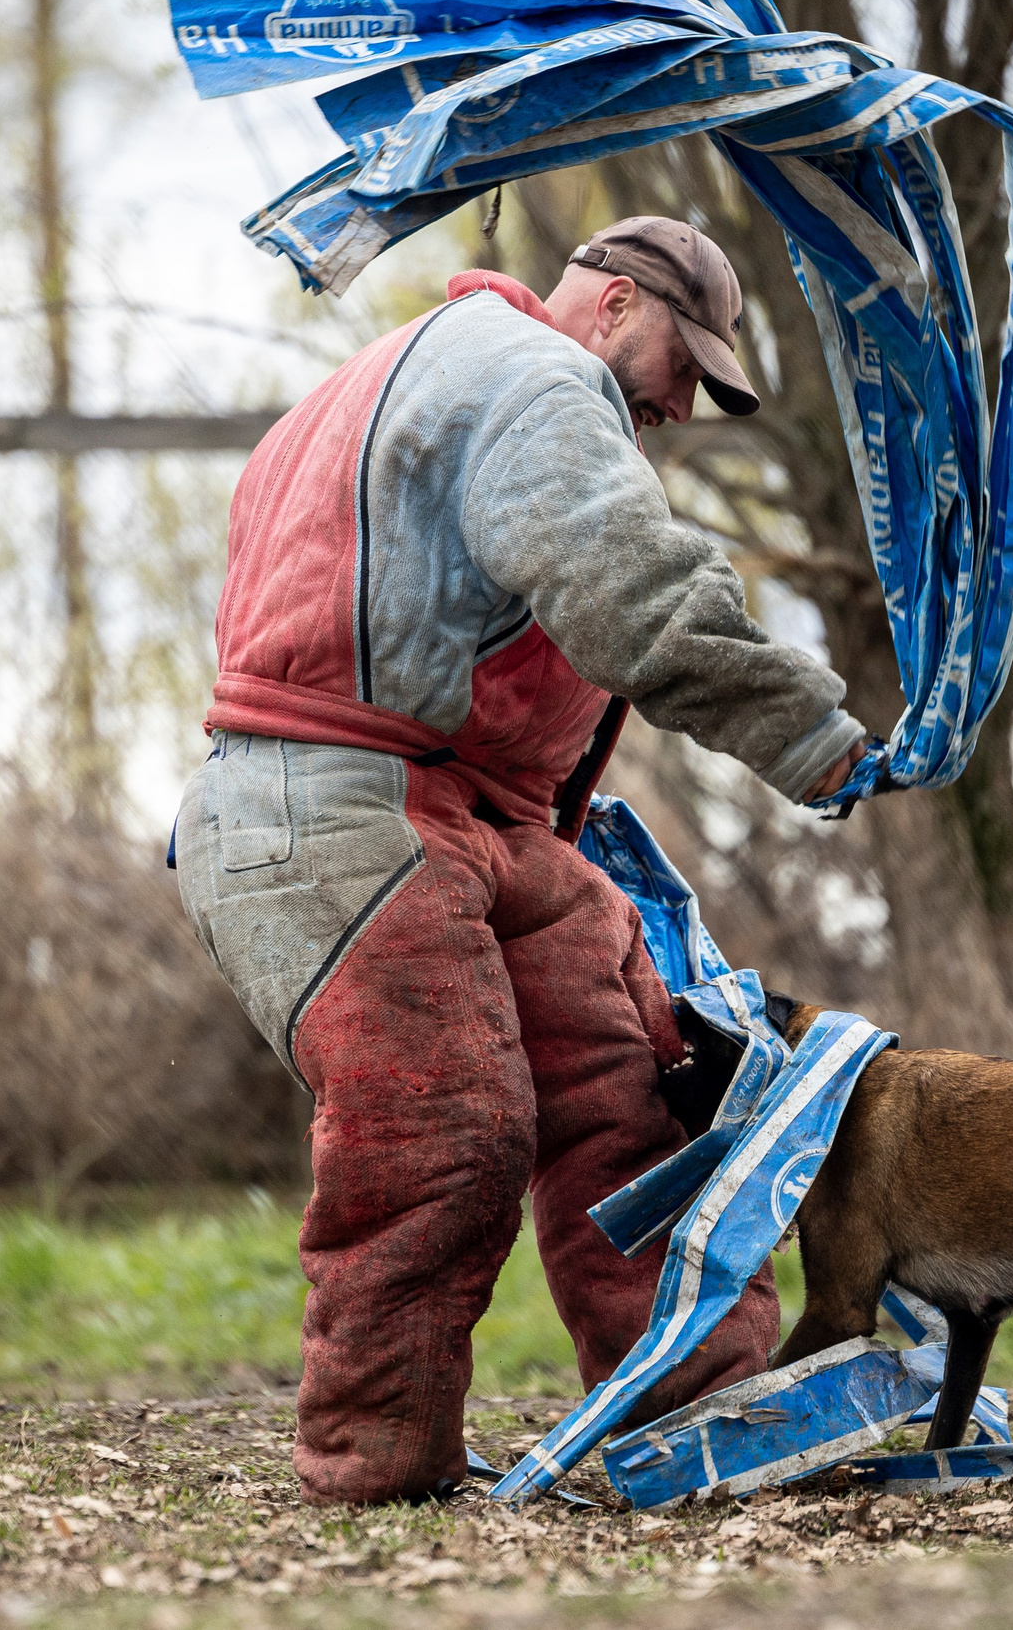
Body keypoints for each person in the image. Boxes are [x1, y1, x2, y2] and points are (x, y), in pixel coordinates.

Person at [173, 216, 869, 1504]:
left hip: (456, 818)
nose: (682, 400)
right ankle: (377, 1463)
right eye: (682, 360)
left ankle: (714, 1413)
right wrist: (818, 738)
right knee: (442, 1127)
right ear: (609, 305)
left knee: (635, 1079)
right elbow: (629, 593)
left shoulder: (417, 375)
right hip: (335, 804)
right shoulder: (532, 375)